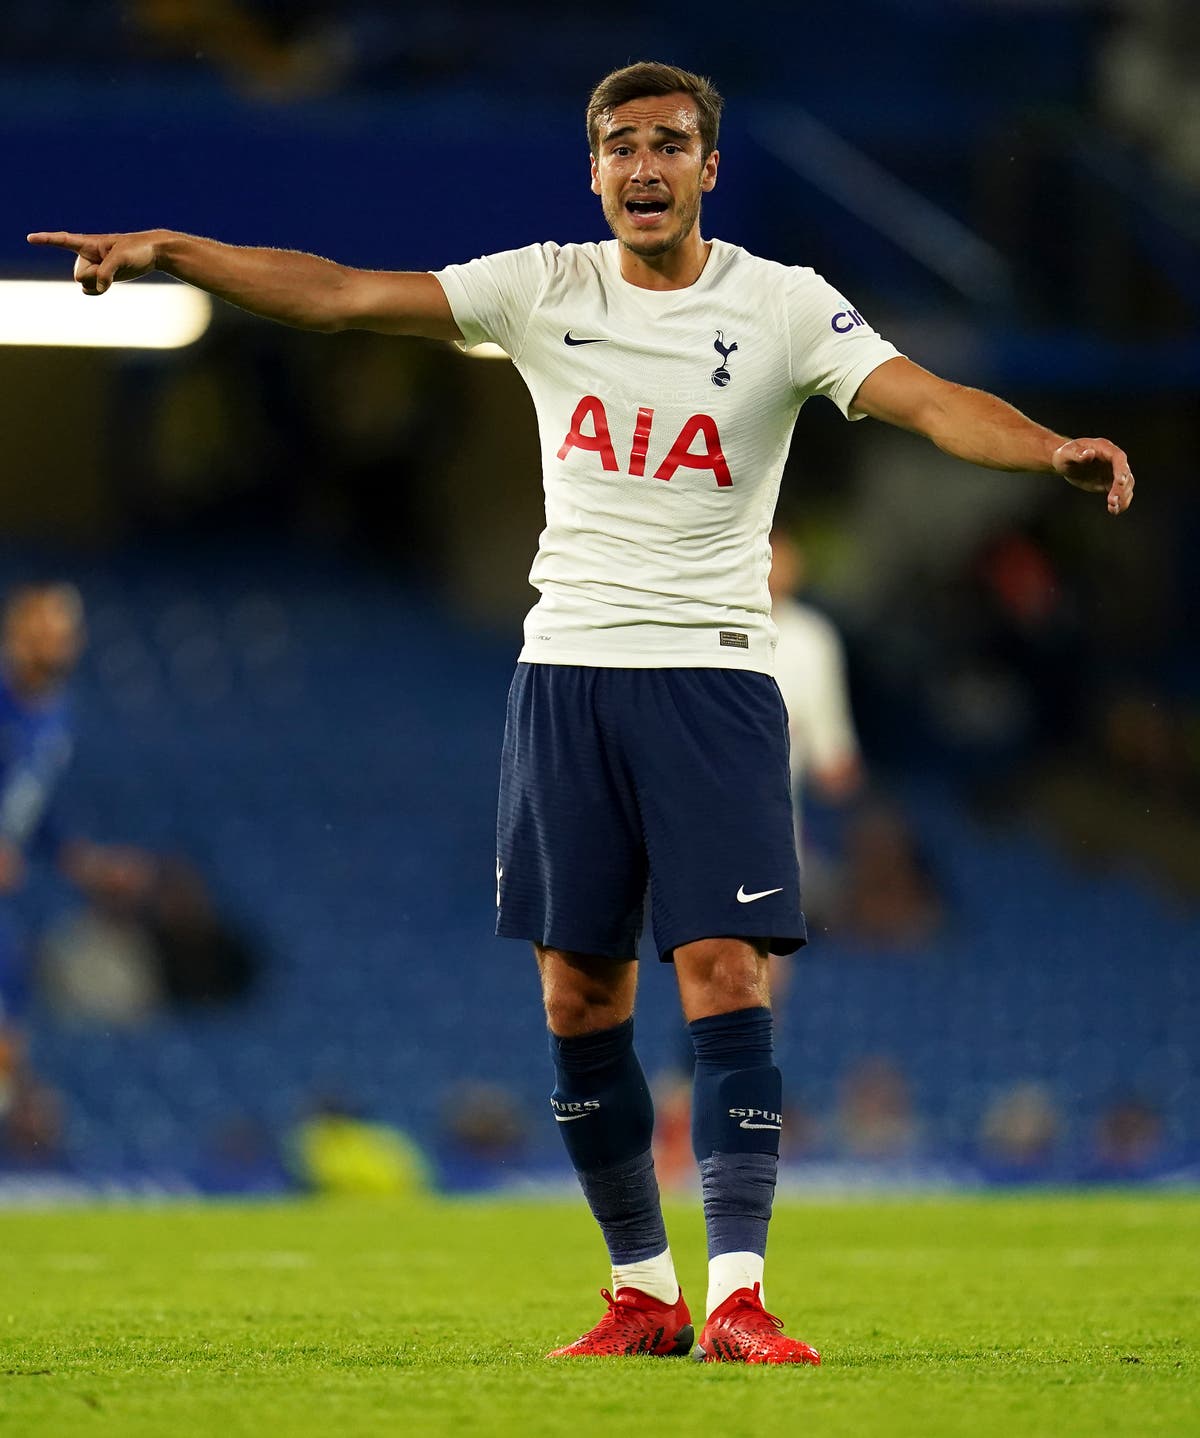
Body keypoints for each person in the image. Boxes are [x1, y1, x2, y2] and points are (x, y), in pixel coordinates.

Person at [28, 60, 1135, 1365]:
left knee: (726, 973)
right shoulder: (543, 285)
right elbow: (336, 293)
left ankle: (737, 1295)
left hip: (717, 675)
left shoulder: (781, 307)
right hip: (566, 676)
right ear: (597, 168)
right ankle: (642, 1290)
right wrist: (176, 253)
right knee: (577, 996)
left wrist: (1044, 445)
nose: (647, 164)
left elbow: (931, 399)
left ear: (709, 167)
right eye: (623, 145)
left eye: (672, 142)